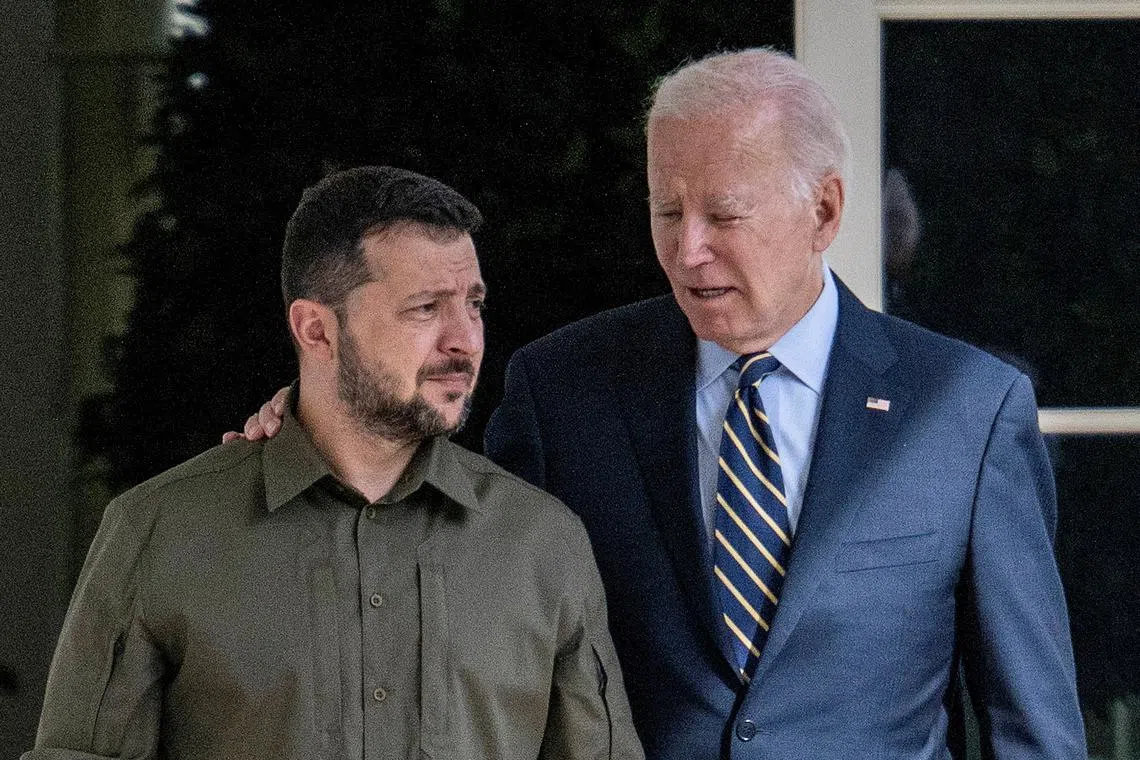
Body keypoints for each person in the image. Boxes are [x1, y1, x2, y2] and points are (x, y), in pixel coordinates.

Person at [239, 51, 1087, 759]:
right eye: (667, 211)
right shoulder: (565, 389)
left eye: (724, 214)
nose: (688, 249)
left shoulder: (965, 410)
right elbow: (451, 577)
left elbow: (1031, 724)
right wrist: (321, 423)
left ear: (824, 211)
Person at [27, 166, 642, 760]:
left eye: (474, 305)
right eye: (425, 308)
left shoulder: (544, 543)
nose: (466, 340)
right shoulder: (159, 531)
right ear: (316, 330)